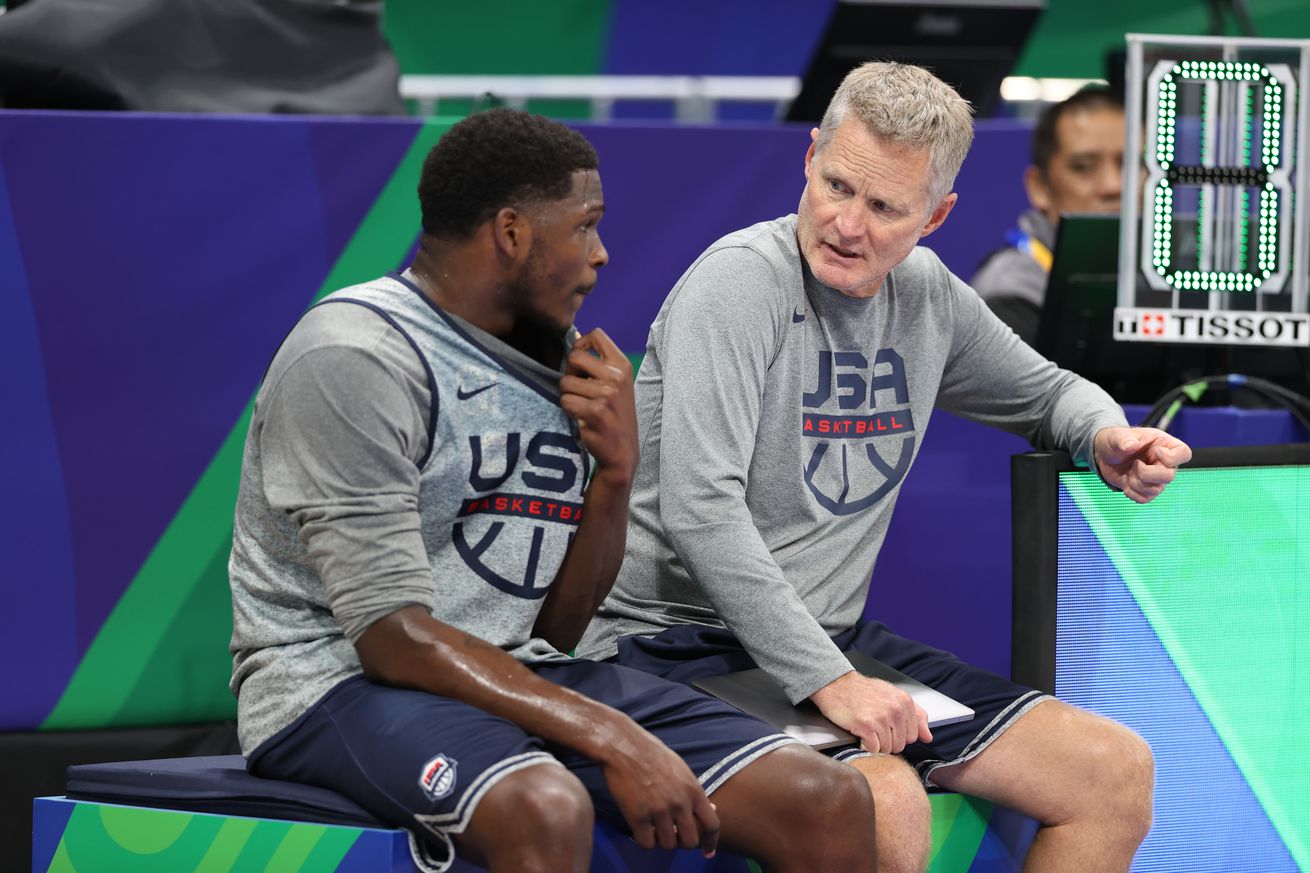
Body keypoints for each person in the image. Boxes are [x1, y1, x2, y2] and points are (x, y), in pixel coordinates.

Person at [576, 63, 1191, 873]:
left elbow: (1048, 392)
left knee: (1114, 773)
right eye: (836, 186)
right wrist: (829, 677)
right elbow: (699, 510)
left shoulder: (927, 296)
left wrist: (1104, 435)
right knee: (884, 799)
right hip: (666, 645)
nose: (847, 224)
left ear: (935, 216)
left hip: (822, 645)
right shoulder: (737, 284)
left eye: (885, 207)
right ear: (809, 158)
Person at [227, 108, 876, 873]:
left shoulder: (559, 357)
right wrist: (606, 732)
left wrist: (616, 475)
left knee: (824, 797)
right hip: (330, 683)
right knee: (545, 806)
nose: (602, 256)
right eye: (585, 227)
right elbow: (391, 637)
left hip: (514, 667)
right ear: (511, 233)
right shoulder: (355, 356)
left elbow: (554, 629)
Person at [971, 86, 1126, 344]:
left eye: (1131, 164)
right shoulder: (1008, 296)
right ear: (1040, 187)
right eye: (1084, 167)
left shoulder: (1174, 280)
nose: (1113, 186)